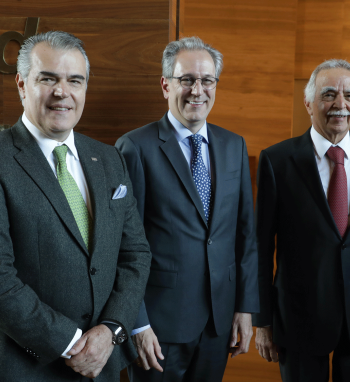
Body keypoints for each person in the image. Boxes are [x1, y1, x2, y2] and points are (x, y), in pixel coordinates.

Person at [0, 31, 151, 382]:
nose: (63, 92)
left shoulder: (108, 159)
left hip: (101, 365)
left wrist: (110, 332)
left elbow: (135, 254)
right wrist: (72, 343)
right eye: (48, 79)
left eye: (75, 80)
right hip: (19, 368)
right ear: (21, 84)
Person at [115, 36, 259, 382]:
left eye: (207, 80)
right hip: (159, 327)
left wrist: (245, 306)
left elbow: (244, 233)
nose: (198, 90)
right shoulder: (135, 147)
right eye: (187, 80)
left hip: (218, 322)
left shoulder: (233, 145)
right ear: (166, 85)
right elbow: (121, 244)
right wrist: (138, 322)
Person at [253, 59, 350, 382]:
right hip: (298, 317)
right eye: (329, 94)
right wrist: (262, 321)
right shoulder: (276, 161)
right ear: (308, 102)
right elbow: (261, 249)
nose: (340, 104)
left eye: (349, 96)